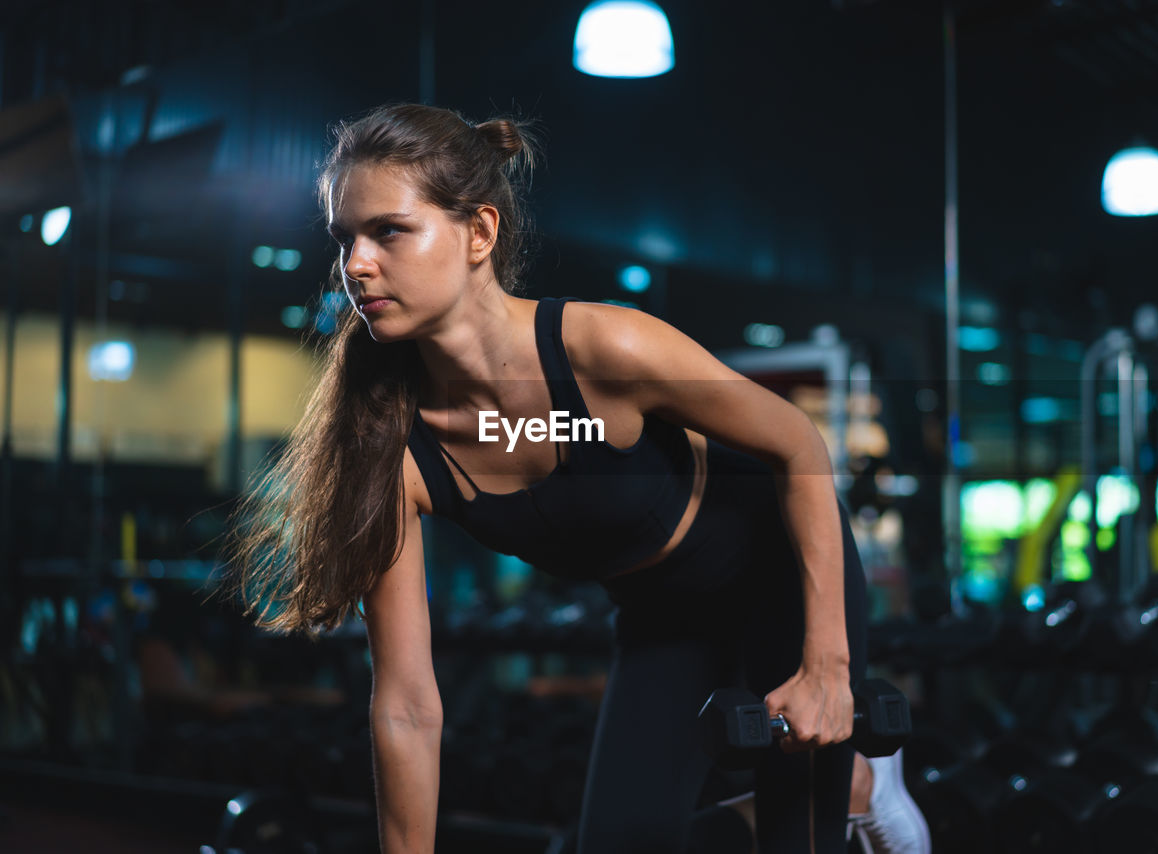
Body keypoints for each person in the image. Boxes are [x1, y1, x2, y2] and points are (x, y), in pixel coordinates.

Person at [222, 102, 928, 854]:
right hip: (661, 619)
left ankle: (857, 788)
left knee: (803, 840)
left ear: (478, 233)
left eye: (388, 231)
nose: (356, 263)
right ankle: (846, 787)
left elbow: (798, 442)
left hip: (779, 572)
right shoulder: (396, 455)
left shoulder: (602, 349)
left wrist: (829, 668)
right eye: (345, 239)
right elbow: (405, 703)